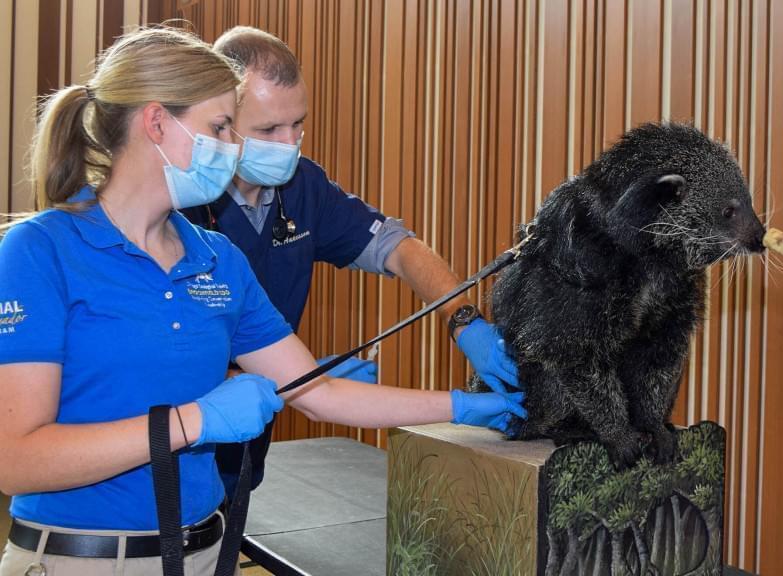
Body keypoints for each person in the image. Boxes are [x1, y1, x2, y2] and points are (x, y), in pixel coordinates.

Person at [0, 26, 524, 576]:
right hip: (79, 559)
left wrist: (464, 408)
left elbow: (319, 395)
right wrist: (195, 421)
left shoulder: (219, 258)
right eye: (221, 127)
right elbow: (15, 460)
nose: (233, 148)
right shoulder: (39, 251)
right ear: (156, 122)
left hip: (204, 553)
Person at [181, 26, 521, 497]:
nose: (289, 142)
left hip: (239, 468)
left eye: (298, 123)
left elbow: (401, 250)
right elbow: (158, 360)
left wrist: (466, 322)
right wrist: (288, 380)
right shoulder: (178, 207)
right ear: (219, 121)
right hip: (165, 461)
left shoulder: (304, 188)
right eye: (268, 130)